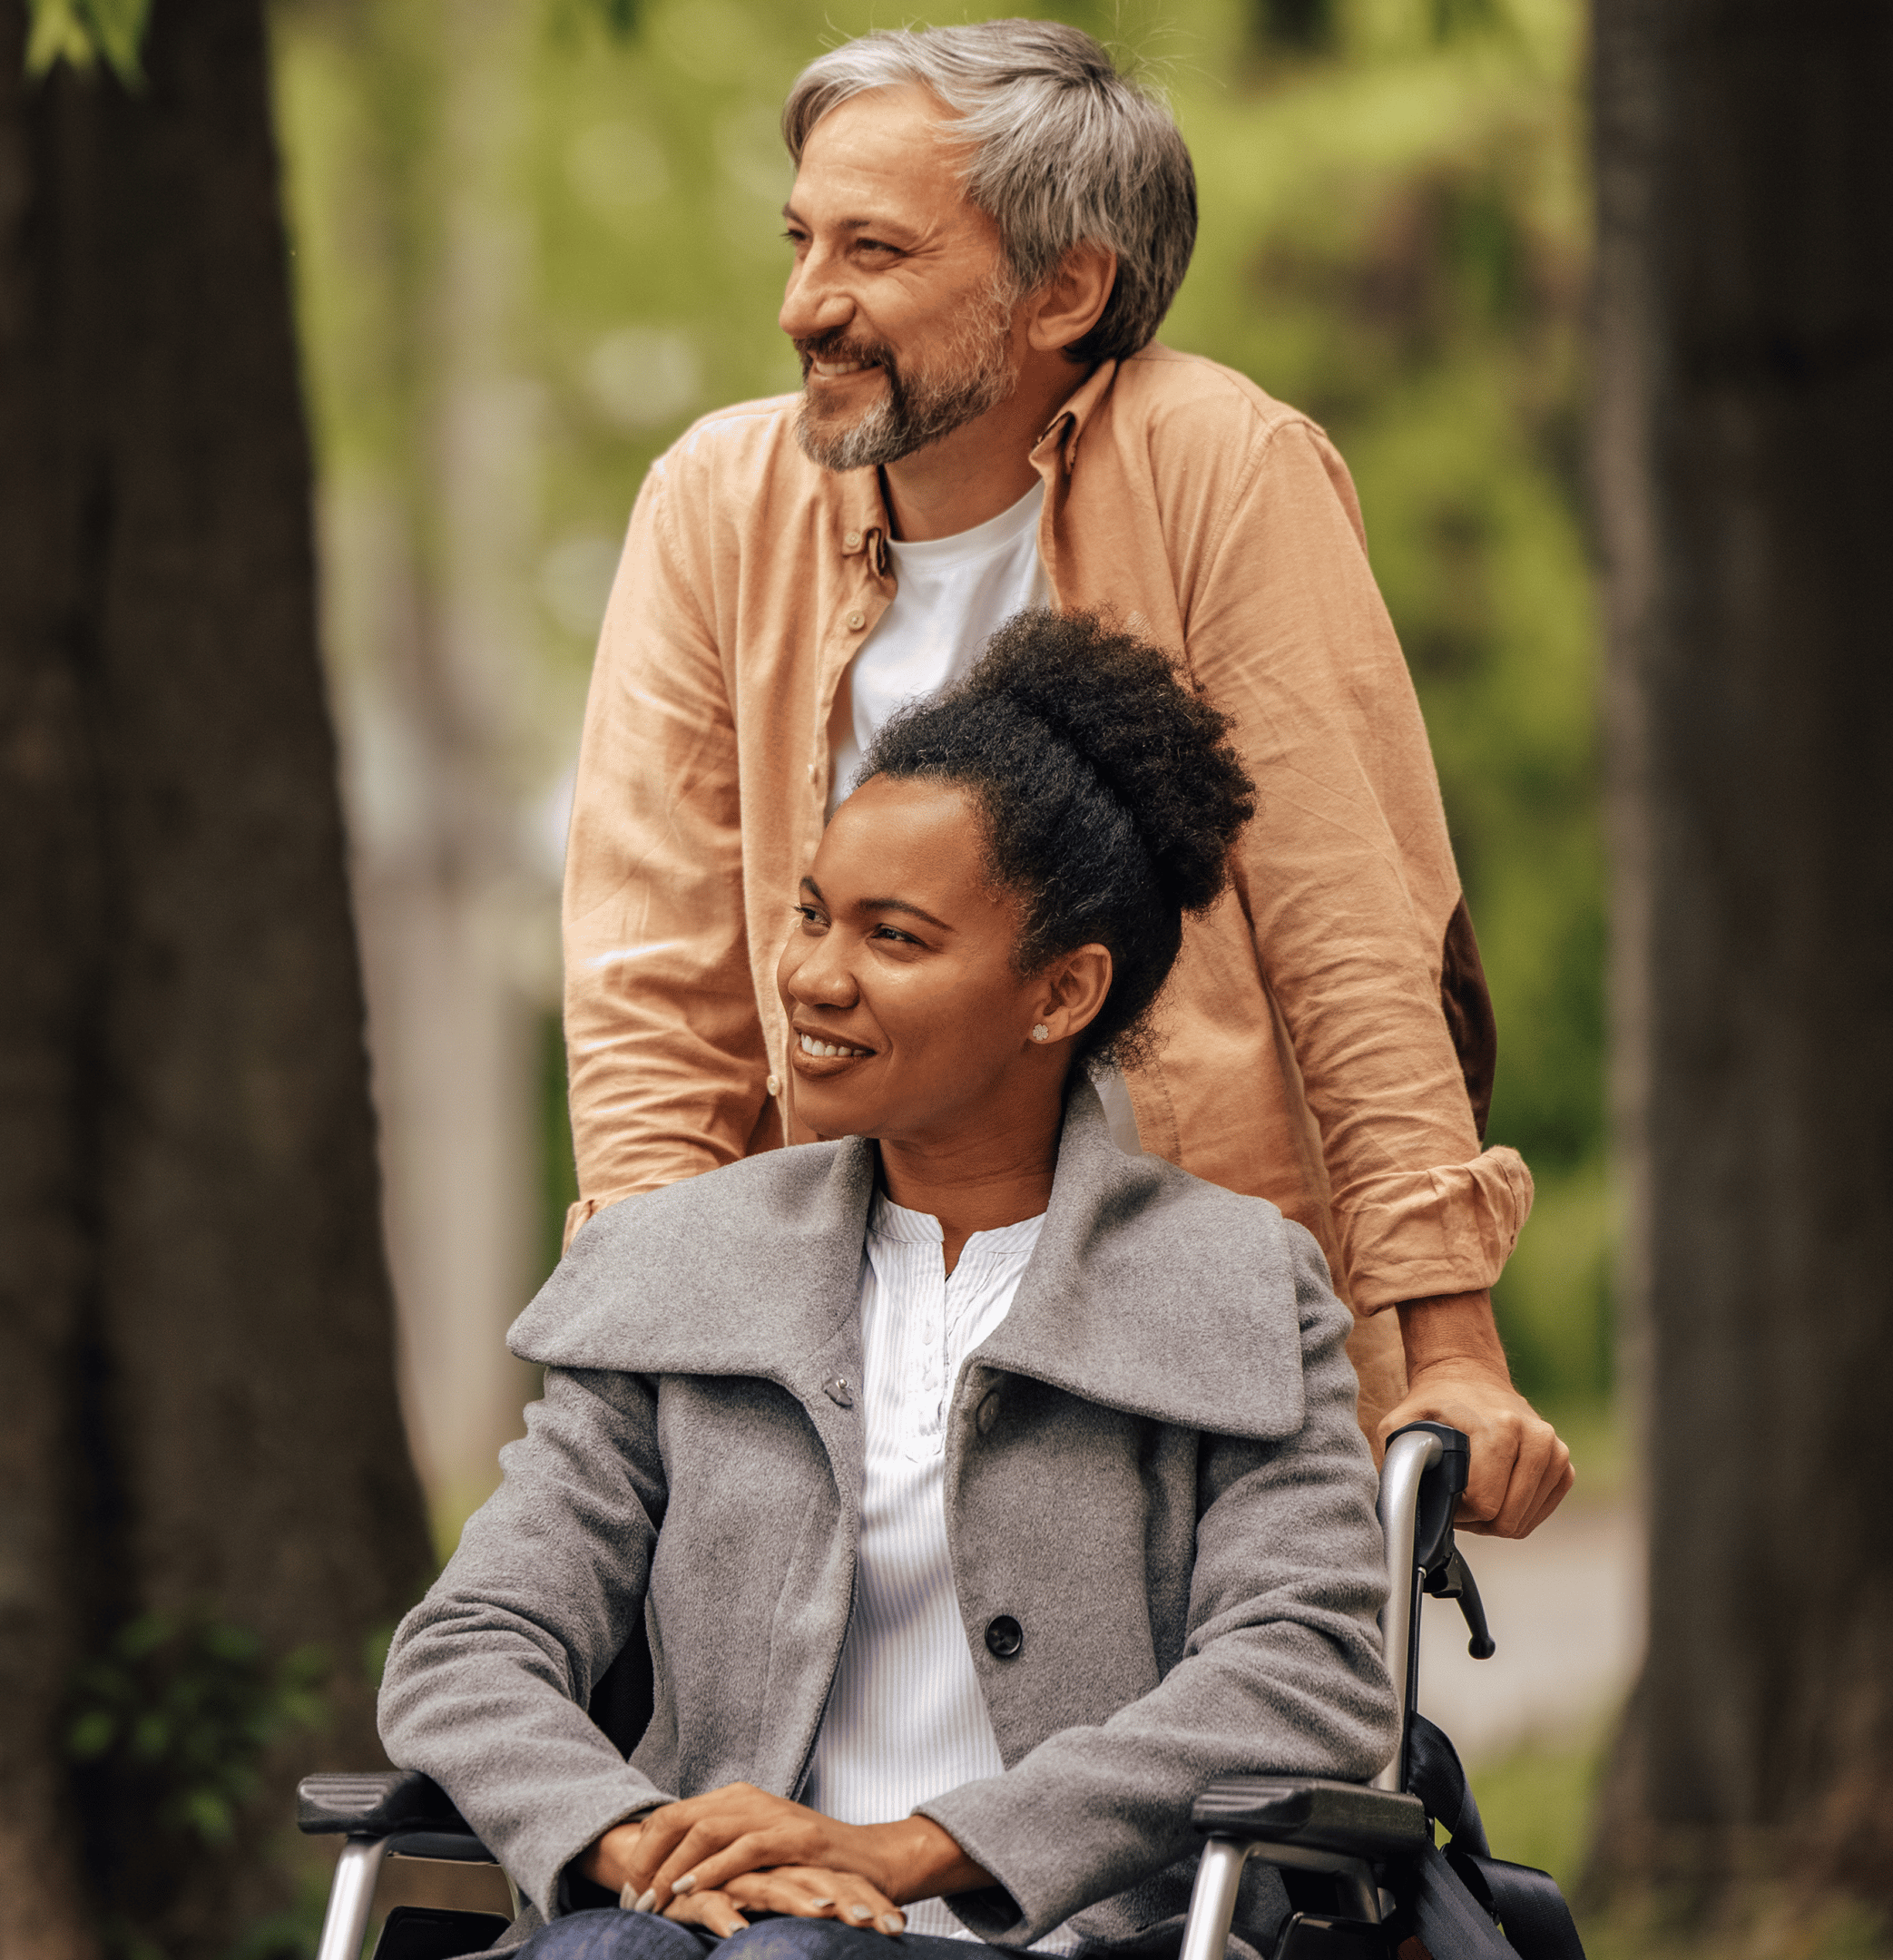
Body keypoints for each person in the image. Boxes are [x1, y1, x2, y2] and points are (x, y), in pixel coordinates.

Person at [559, 20, 1571, 1535]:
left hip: (1187, 1315)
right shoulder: (714, 505)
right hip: (838, 1316)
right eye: (800, 241)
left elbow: (1356, 936)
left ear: (1067, 288)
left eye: (875, 252)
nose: (804, 306)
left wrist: (1453, 1349)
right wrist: (635, 1363)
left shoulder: (1220, 465)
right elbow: (659, 985)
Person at [386, 615, 1396, 1955]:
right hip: (704, 1932)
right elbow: (471, 1645)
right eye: (810, 914)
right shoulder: (677, 1265)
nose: (812, 974)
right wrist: (633, 1844)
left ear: (1062, 992)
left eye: (895, 938)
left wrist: (921, 1849)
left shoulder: (1234, 1283)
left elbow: (1305, 1671)